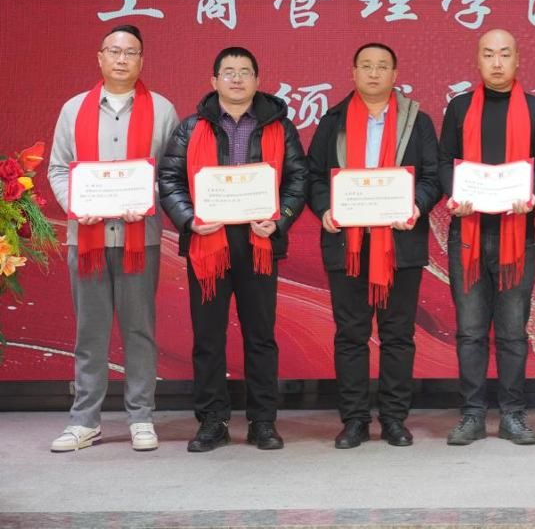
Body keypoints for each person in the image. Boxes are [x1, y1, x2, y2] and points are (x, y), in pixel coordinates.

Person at [158, 46, 307, 452]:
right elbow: (169, 179)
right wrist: (189, 219)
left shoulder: (279, 126)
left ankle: (263, 422)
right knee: (208, 337)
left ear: (258, 80)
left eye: (245, 71)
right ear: (214, 81)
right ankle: (212, 421)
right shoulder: (191, 128)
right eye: (229, 71)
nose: (237, 78)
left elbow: (298, 179)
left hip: (259, 243)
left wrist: (280, 219)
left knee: (261, 336)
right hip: (209, 243)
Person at [47, 25, 179, 453]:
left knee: (140, 330)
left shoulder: (162, 110)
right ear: (100, 57)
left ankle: (141, 417)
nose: (122, 59)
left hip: (141, 238)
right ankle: (84, 421)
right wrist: (75, 205)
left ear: (142, 61)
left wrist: (145, 199)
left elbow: (171, 172)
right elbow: (58, 169)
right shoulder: (73, 109)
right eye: (115, 51)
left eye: (131, 52)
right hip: (85, 237)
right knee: (90, 332)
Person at [305, 42, 441, 449]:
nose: (374, 73)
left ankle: (395, 419)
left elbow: (432, 177)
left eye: (382, 66)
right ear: (354, 72)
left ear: (395, 75)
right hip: (347, 245)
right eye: (366, 65)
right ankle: (354, 420)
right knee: (351, 335)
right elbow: (314, 177)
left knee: (398, 335)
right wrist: (325, 209)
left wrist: (416, 205)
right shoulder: (334, 121)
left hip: (400, 244)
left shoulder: (417, 122)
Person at [438, 29, 535, 445]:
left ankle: (513, 415)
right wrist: (455, 194)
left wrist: (532, 193)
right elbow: (444, 161)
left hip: (517, 234)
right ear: (478, 60)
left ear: (517, 59)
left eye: (505, 54)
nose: (497, 62)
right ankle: (472, 415)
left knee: (512, 332)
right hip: (468, 235)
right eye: (489, 54)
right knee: (470, 331)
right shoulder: (459, 108)